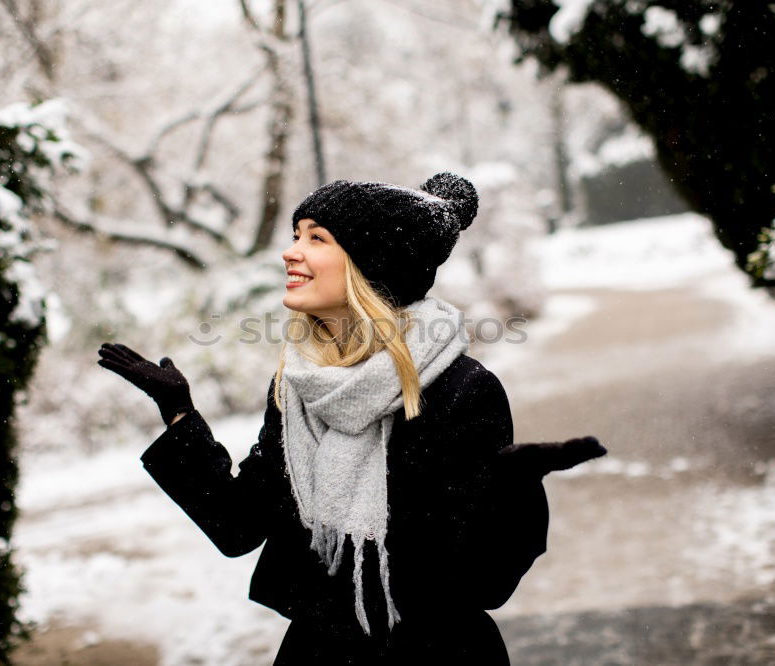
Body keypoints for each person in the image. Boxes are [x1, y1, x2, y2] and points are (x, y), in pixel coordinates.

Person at [97, 172, 604, 664]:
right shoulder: (297, 389)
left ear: (372, 263)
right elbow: (238, 526)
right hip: (320, 653)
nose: (291, 251)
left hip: (439, 654)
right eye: (296, 235)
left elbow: (483, 580)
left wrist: (512, 488)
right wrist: (179, 412)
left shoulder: (462, 391)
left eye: (316, 238)